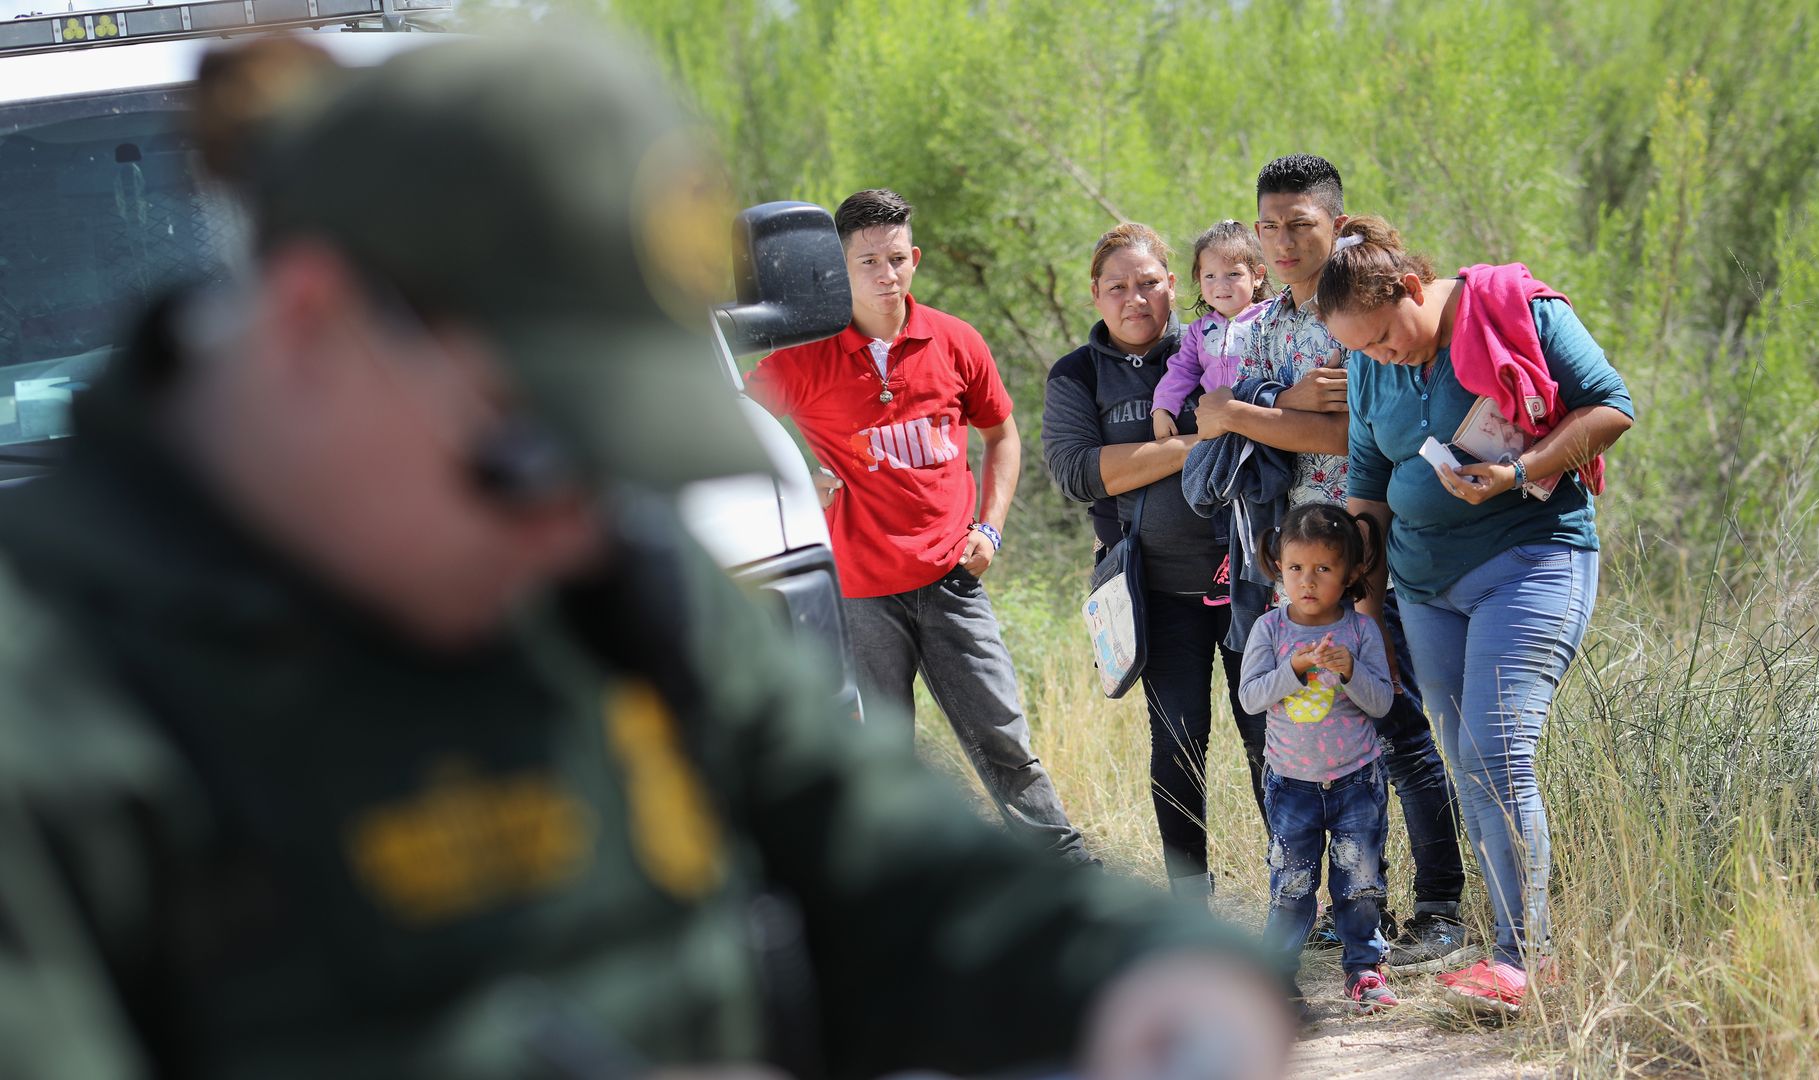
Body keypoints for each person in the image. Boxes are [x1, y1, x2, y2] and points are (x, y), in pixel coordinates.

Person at [0, 38, 1298, 1078]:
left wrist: (1152, 974)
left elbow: (893, 860)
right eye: (535, 450)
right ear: (315, 328)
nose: (582, 521)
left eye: (625, 464)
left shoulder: (613, 588)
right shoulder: (54, 706)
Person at [1323, 213, 1635, 1012]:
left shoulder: (1518, 310)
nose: (1380, 357)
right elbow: (1364, 484)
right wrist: (1359, 603)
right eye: (1362, 349)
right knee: (1467, 761)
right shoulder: (1370, 366)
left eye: (1386, 337)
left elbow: (1611, 407)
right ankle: (1515, 953)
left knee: (1498, 752)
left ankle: (1525, 960)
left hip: (1531, 560)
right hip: (1426, 589)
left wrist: (1519, 469)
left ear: (1414, 289)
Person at [742, 188, 1088, 863]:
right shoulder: (806, 357)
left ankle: (1069, 874)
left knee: (1004, 740)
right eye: (867, 261)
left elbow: (1004, 436)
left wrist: (989, 531)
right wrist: (794, 473)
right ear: (839, 269)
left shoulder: (954, 341)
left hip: (952, 579)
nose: (885, 275)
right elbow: (726, 420)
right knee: (881, 756)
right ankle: (900, 901)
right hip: (861, 593)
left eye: (897, 258)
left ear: (915, 259)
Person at [1199, 154, 1474, 975]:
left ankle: (1440, 904)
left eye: (1300, 224)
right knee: (1308, 725)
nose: (1282, 241)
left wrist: (1242, 414)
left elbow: (1352, 440)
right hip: (1294, 562)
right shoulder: (1269, 321)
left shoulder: (1358, 310)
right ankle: (1351, 908)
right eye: (1269, 226)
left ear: (1336, 223)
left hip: (1369, 552)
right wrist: (1258, 411)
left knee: (1396, 726)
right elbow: (1239, 421)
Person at [1041, 224, 1264, 897]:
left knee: (1271, 743)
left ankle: (1298, 892)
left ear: (1176, 285)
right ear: (1095, 294)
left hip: (1252, 580)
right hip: (1155, 593)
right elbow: (1079, 472)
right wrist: (1198, 441)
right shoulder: (1078, 373)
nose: (1135, 298)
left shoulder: (1214, 343)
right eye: (1118, 287)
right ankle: (1189, 902)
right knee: (1177, 745)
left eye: (1149, 283)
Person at [1239, 504, 1397, 1016]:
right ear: (1277, 568)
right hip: (1291, 785)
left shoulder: (1360, 631)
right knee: (1291, 885)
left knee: (1359, 884)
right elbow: (1251, 697)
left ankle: (1364, 970)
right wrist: (1294, 669)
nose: (1307, 581)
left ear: (1350, 573)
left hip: (1356, 781)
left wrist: (1351, 671)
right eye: (1295, 569)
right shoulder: (1269, 629)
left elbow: (1382, 704)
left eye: (1323, 569)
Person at [1149, 220, 1273, 443]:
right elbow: (1181, 371)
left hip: (1265, 422)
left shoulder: (1271, 318)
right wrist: (1162, 408)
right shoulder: (1199, 331)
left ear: (1258, 276)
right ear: (1198, 278)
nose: (1221, 284)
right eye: (1210, 276)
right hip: (1218, 429)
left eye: (1233, 274)